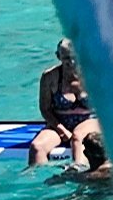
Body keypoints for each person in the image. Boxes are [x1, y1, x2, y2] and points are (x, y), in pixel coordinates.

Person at [28, 39, 94, 170]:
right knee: (36, 147)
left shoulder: (93, 76)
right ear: (58, 57)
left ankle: (79, 170)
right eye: (66, 58)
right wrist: (61, 130)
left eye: (75, 58)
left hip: (90, 119)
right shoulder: (50, 77)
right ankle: (39, 183)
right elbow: (45, 109)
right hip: (61, 122)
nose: (71, 62)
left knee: (77, 138)